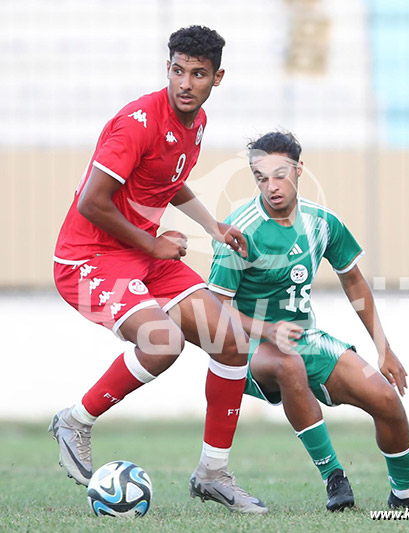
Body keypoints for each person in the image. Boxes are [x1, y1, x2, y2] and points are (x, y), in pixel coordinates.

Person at [49, 25, 268, 515]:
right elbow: (92, 203)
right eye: (177, 71)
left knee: (229, 339)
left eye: (198, 74)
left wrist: (212, 225)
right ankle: (76, 421)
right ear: (166, 68)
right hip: (87, 258)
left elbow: (170, 180)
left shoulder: (197, 121)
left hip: (141, 255)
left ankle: (214, 473)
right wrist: (154, 242)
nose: (185, 83)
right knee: (162, 341)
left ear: (217, 77)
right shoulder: (137, 122)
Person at [208, 131, 409, 511]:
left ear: (300, 169)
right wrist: (268, 330)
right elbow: (213, 307)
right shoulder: (241, 230)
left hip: (304, 337)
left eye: (280, 174)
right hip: (245, 346)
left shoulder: (323, 223)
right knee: (289, 364)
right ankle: (335, 477)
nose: (271, 187)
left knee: (385, 397)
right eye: (261, 177)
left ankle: (405, 494)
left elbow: (354, 280)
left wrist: (384, 349)